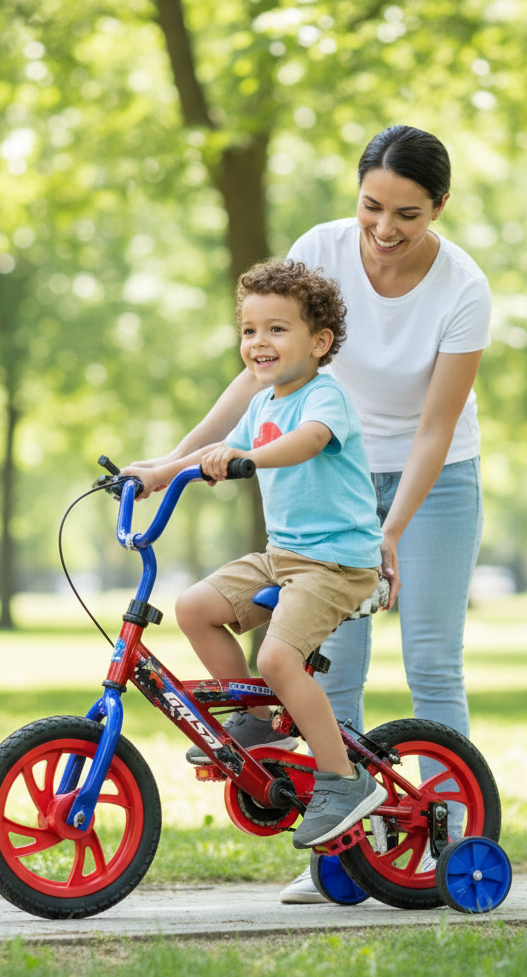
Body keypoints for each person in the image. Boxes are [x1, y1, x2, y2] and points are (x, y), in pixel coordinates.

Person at [131, 125, 490, 898]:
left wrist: (388, 532)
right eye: (371, 206)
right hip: (328, 478)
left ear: (439, 207)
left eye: (408, 214)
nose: (384, 230)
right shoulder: (319, 252)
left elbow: (435, 427)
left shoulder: (462, 287)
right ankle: (343, 855)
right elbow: (259, 377)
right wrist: (171, 463)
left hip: (432, 477)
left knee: (432, 659)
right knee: (334, 668)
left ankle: (448, 843)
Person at [132, 259, 387, 849]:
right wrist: (158, 473)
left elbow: (307, 442)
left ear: (318, 343)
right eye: (249, 330)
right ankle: (258, 725)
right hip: (284, 555)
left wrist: (247, 460)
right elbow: (220, 448)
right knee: (194, 608)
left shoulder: (325, 397)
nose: (258, 341)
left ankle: (343, 781)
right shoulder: (263, 403)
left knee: (277, 659)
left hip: (336, 563)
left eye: (277, 329)